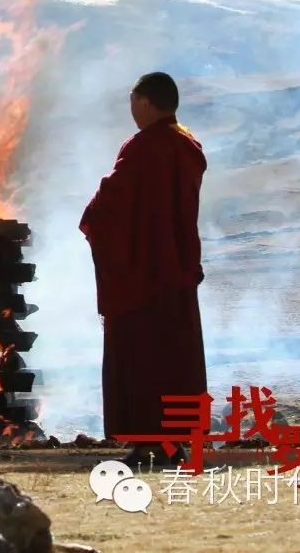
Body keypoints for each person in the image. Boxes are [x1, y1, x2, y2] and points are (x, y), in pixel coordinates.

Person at [80, 72, 208, 467]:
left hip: (139, 274)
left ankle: (146, 439)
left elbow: (112, 202)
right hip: (177, 272)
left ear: (147, 102)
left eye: (133, 101)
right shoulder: (188, 147)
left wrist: (93, 218)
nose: (131, 109)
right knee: (176, 357)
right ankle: (177, 440)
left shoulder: (142, 148)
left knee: (140, 359)